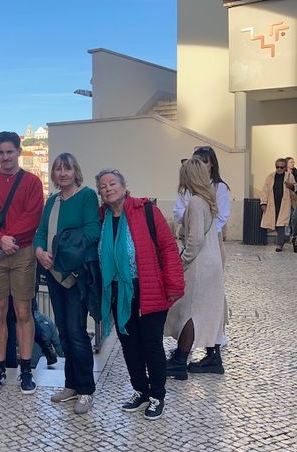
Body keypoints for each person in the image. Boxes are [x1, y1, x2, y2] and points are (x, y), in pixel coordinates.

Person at [96, 169, 184, 420]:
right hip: (117, 291)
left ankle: (157, 395)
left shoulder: (145, 211)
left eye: (113, 183)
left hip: (147, 288)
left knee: (151, 345)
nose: (108, 188)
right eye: (103, 186)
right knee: (129, 344)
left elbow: (167, 247)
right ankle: (140, 390)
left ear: (124, 186)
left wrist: (173, 285)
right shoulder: (103, 217)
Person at [0, 131, 44, 394]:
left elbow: (33, 215)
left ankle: (26, 369)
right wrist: (0, 238)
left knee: (24, 312)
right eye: (1, 153)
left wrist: (4, 239)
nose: (5, 157)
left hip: (22, 252)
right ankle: (0, 368)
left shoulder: (32, 182)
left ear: (18, 152)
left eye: (9, 152)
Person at [34, 153, 100, 414]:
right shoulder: (51, 202)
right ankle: (71, 385)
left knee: (76, 331)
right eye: (58, 169)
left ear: (76, 172)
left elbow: (93, 230)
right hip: (53, 273)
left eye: (67, 169)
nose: (62, 173)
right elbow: (40, 233)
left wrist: (64, 248)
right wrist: (40, 252)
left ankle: (86, 390)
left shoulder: (86, 196)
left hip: (75, 275)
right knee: (63, 330)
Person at [166, 158, 226, 379]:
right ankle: (212, 358)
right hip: (212, 262)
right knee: (205, 310)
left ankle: (180, 361)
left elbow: (195, 240)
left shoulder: (195, 202)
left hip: (199, 264)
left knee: (189, 312)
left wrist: (183, 262)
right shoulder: (207, 200)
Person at [173, 145, 231, 345]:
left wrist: (184, 259)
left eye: (204, 160)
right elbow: (178, 212)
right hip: (199, 244)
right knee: (200, 298)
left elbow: (219, 219)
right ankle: (210, 350)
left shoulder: (213, 191)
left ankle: (209, 343)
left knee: (200, 299)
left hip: (207, 246)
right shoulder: (193, 195)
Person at [260, 158, 293, 252]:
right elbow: (265, 190)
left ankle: (279, 244)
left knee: (281, 224)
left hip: (285, 204)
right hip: (272, 204)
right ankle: (281, 240)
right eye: (277, 167)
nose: (279, 169)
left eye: (281, 167)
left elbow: (295, 188)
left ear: (285, 167)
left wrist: (291, 186)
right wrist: (263, 202)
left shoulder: (289, 176)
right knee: (276, 222)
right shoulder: (270, 176)